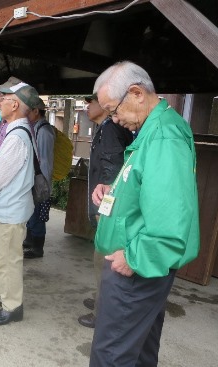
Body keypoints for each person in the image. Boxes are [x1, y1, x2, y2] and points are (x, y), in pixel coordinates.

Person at [89, 61, 200, 366]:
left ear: (136, 93)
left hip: (136, 265)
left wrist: (134, 258)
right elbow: (150, 186)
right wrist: (114, 189)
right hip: (139, 262)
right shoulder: (154, 129)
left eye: (113, 110)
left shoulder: (163, 136)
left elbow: (169, 216)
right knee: (138, 351)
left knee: (110, 356)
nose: (114, 119)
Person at [0, 77, 38, 326]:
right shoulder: (17, 131)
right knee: (3, 255)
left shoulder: (16, 136)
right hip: (8, 208)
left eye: (4, 99)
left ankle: (12, 306)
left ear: (15, 105)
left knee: (10, 259)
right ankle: (0, 293)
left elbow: (1, 174)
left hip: (11, 209)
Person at [77, 94, 133, 328]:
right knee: (102, 258)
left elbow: (112, 173)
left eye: (91, 101)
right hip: (106, 205)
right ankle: (102, 300)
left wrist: (103, 210)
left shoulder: (109, 130)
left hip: (107, 207)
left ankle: (104, 311)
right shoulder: (104, 128)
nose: (87, 106)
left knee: (103, 259)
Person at [22, 98, 54, 258]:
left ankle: (37, 248)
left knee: (38, 214)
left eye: (28, 110)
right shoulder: (36, 128)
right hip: (36, 178)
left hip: (40, 180)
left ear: (36, 111)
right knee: (32, 212)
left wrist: (42, 183)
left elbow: (45, 160)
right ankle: (29, 240)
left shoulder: (44, 131)